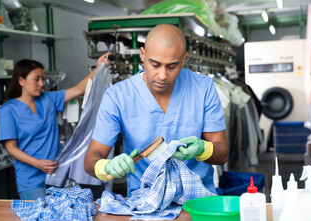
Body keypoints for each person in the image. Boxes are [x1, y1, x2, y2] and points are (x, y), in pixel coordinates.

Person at [84, 24, 229, 196]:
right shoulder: (118, 96)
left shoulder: (203, 88)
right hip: (145, 200)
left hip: (197, 200)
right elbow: (91, 159)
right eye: (155, 64)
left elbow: (223, 153)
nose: (162, 75)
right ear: (143, 54)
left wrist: (202, 149)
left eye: (171, 66)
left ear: (184, 59)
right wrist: (105, 166)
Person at [0, 53, 110, 200]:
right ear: (21, 80)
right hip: (31, 181)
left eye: (42, 79)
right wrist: (38, 163)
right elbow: (11, 148)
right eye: (36, 79)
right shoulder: (7, 110)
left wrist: (98, 68)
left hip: (57, 175)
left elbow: (78, 90)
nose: (41, 84)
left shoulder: (47, 99)